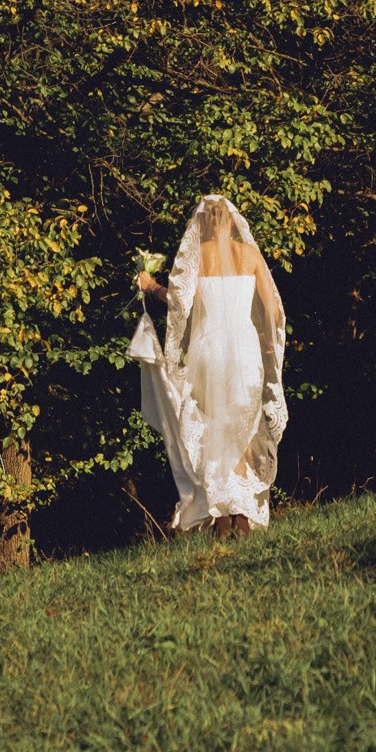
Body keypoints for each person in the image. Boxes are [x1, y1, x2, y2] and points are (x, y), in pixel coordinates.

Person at [131, 194, 288, 537]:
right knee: (243, 426)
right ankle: (242, 514)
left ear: (201, 223)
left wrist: (151, 285)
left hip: (209, 349)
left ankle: (221, 516)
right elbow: (274, 309)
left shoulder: (196, 256)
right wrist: (265, 343)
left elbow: (177, 302)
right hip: (244, 348)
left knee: (212, 426)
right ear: (232, 222)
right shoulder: (249, 255)